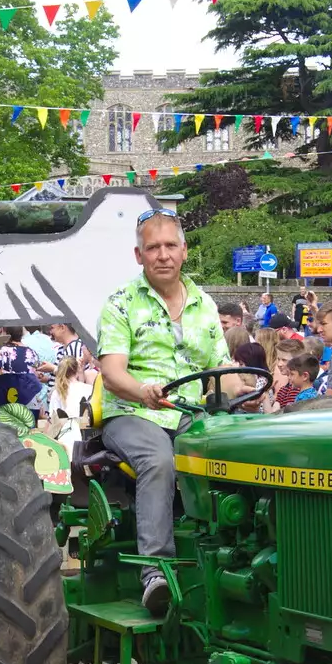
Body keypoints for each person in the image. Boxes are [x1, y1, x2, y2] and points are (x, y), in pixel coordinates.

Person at [97, 208, 233, 615]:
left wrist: (245, 386)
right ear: (139, 256)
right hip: (132, 414)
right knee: (158, 460)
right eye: (152, 247)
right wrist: (142, 391)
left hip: (189, 414)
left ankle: (227, 556)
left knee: (239, 448)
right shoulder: (121, 302)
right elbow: (112, 370)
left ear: (184, 251)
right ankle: (155, 571)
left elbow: (219, 368)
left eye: (170, 245)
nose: (162, 255)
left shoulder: (204, 304)